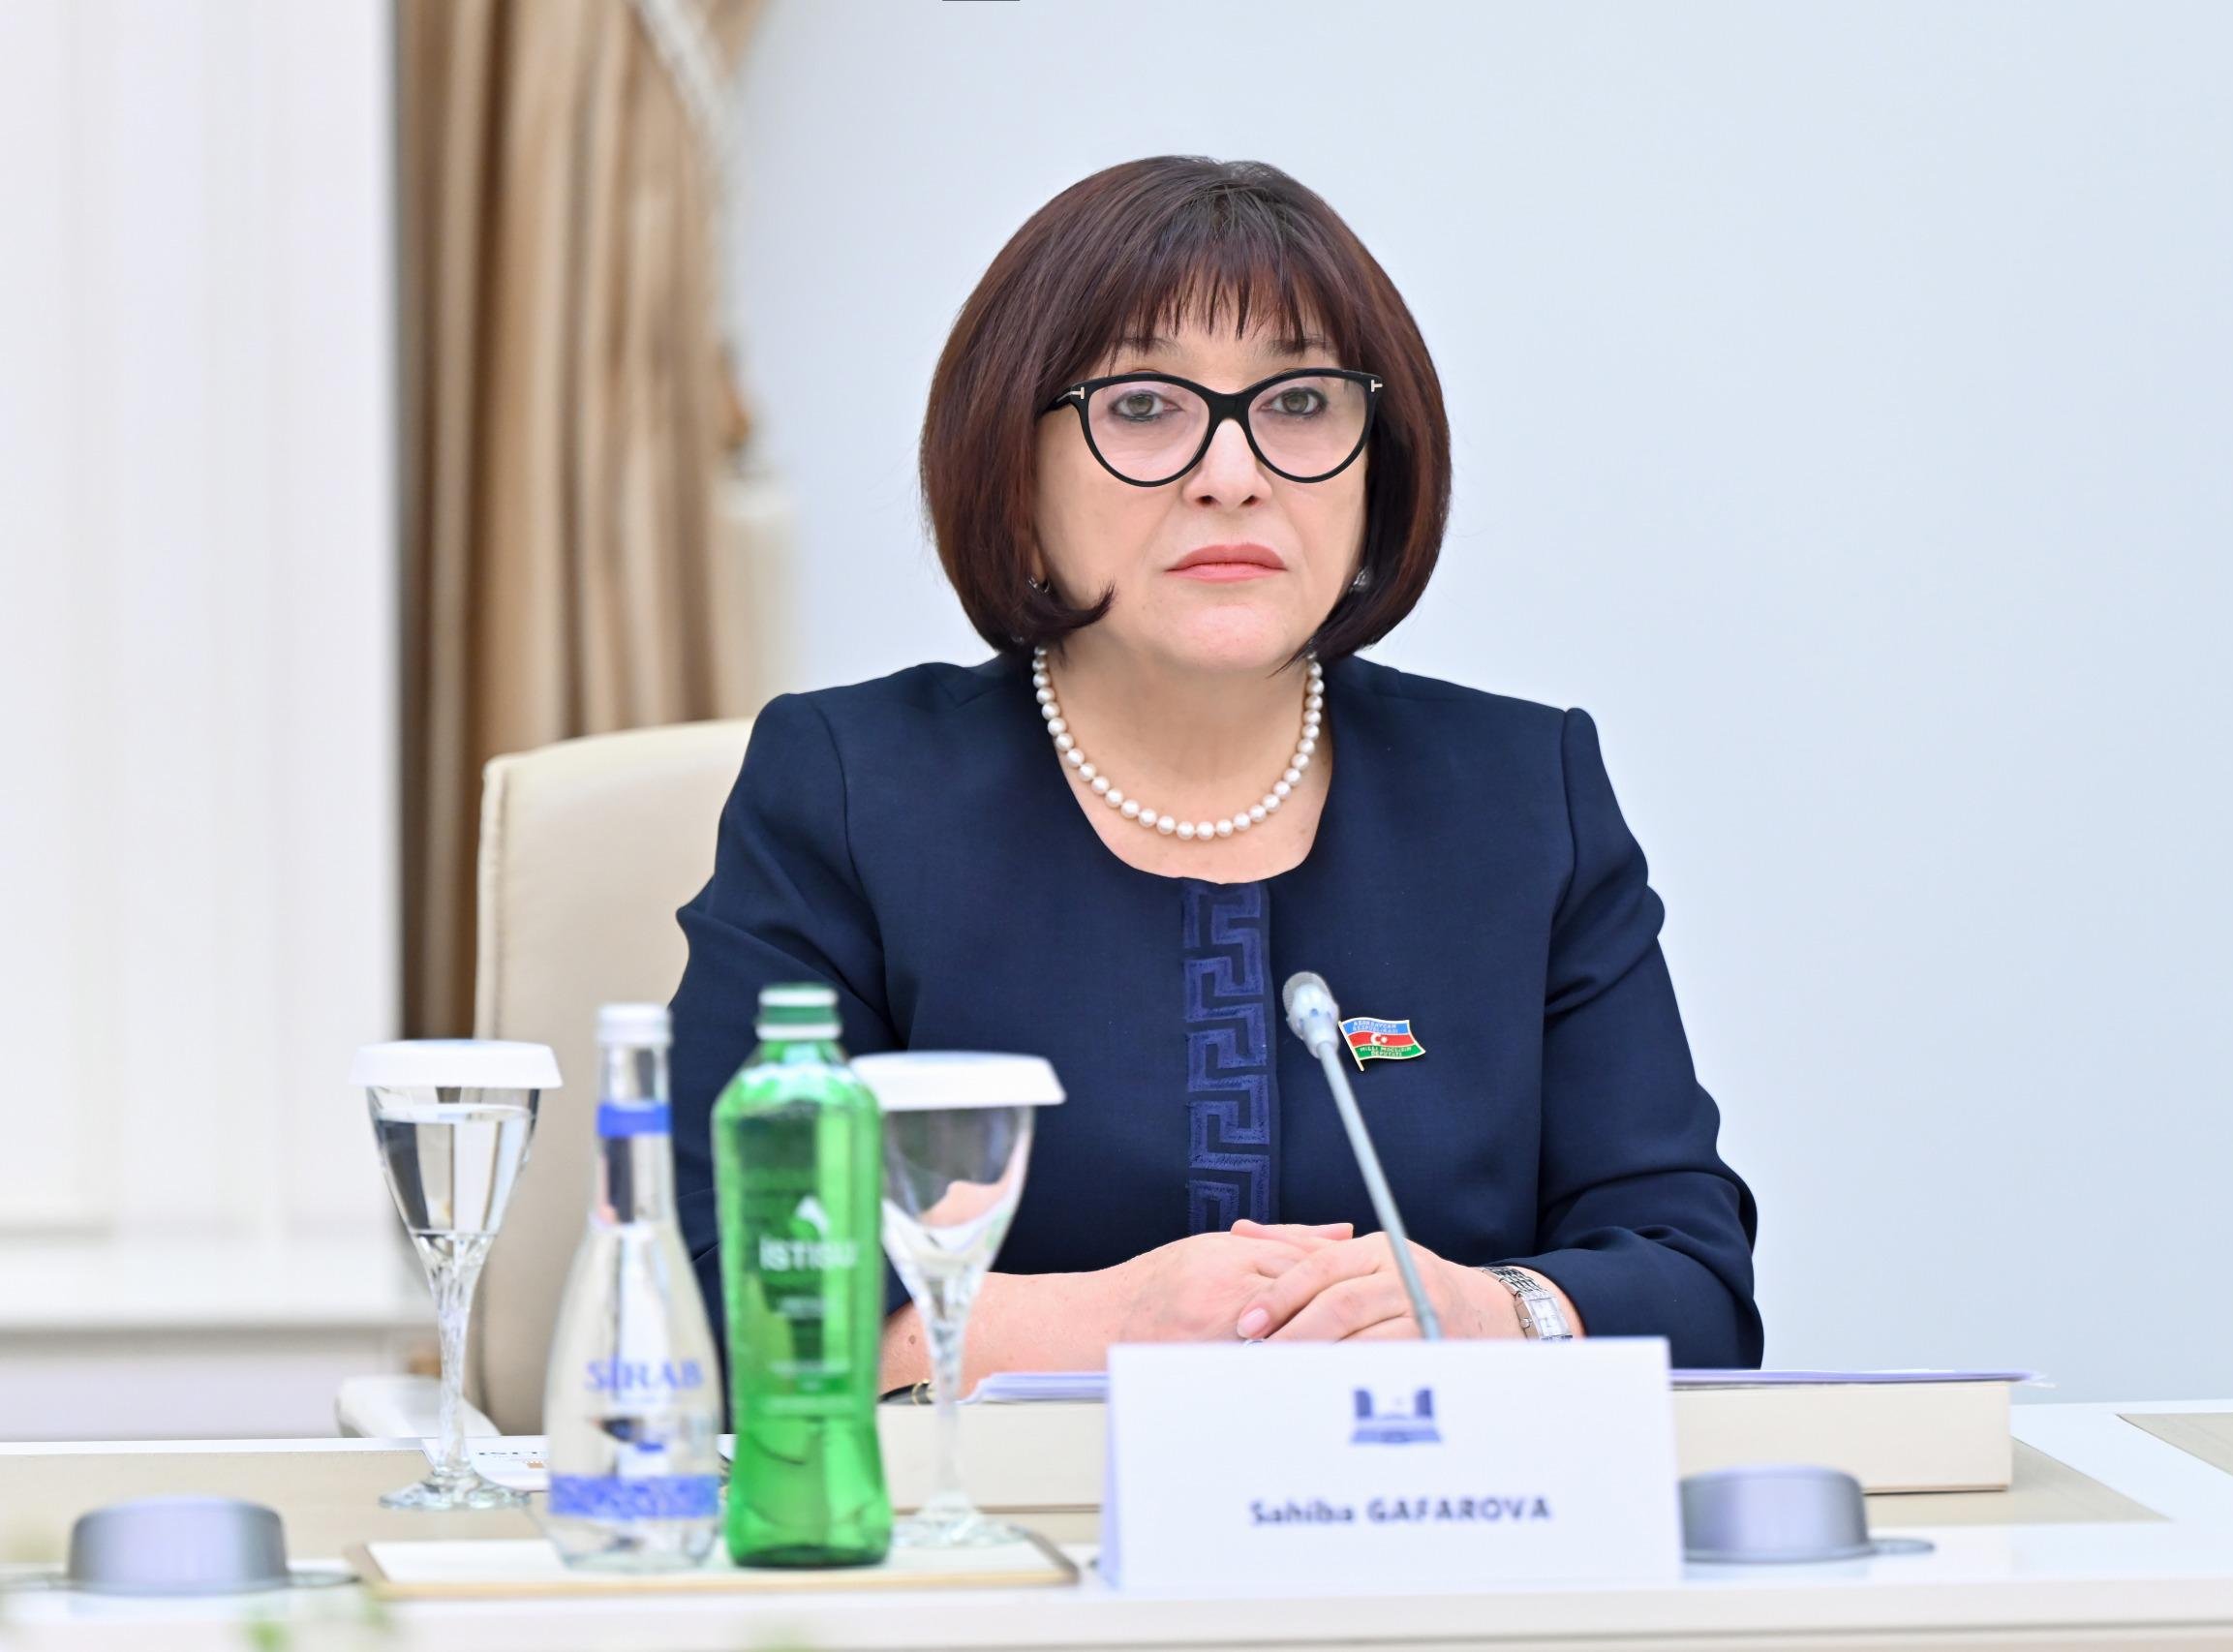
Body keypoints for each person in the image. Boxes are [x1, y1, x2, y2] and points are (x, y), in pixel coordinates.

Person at [668, 155, 1759, 1395]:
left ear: (1376, 468)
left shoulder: (1520, 796)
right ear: (1013, 471)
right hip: (1011, 1517)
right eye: (1142, 404)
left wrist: (1480, 1311)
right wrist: (1106, 1322)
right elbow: (719, 1279)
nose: (1231, 473)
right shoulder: (854, 790)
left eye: (1299, 402)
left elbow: (1695, 1283)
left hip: (1420, 1505)